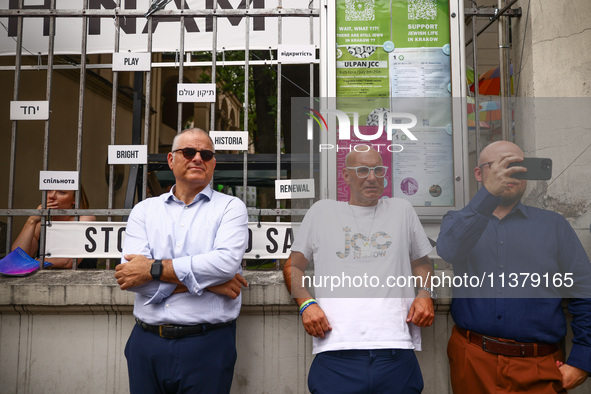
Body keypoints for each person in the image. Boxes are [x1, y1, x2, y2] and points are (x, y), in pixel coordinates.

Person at [437, 140, 591, 393]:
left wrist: (583, 361)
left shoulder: (553, 225)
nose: (511, 173)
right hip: (473, 360)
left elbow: (584, 291)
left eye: (519, 166)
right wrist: (487, 195)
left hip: (541, 365)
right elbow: (449, 250)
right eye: (501, 166)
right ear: (479, 174)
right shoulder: (458, 220)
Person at [283, 146, 435, 394]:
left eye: (378, 170)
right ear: (346, 176)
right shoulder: (322, 212)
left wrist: (426, 293)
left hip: (395, 351)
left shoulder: (402, 210)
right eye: (363, 170)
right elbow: (293, 266)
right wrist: (306, 304)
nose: (372, 177)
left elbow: (422, 263)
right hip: (336, 352)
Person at [114, 128, 249, 394]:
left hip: (207, 344)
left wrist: (153, 269)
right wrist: (208, 284)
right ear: (171, 159)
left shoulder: (231, 208)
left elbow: (224, 265)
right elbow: (131, 279)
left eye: (206, 154)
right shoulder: (144, 211)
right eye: (188, 152)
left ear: (213, 163)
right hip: (146, 343)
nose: (197, 158)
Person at [11, 187, 96, 269]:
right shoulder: (41, 225)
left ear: (75, 199)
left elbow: (69, 262)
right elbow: (16, 259)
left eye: (61, 192)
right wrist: (31, 221)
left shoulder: (85, 219)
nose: (51, 196)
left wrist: (32, 262)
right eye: (49, 190)